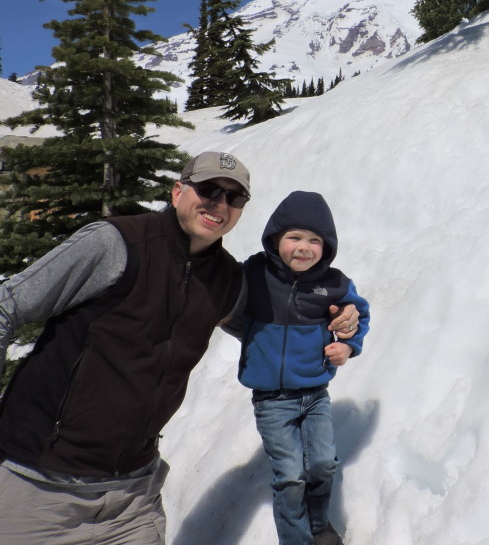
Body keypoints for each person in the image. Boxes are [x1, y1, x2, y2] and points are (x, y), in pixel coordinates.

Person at [0, 152, 361, 544]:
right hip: (37, 484)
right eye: (208, 190)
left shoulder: (227, 279)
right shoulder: (116, 244)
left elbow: (271, 327)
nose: (219, 204)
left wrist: (340, 325)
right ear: (177, 192)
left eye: (233, 198)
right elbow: (9, 304)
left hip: (132, 499)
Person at [236, 190, 369, 545]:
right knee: (291, 475)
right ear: (275, 238)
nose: (304, 247)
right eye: (294, 237)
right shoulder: (254, 273)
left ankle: (318, 523)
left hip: (315, 393)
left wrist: (349, 345)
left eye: (315, 240)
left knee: (324, 464)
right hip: (271, 399)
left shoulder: (335, 284)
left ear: (327, 247)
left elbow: (360, 315)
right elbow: (220, 295)